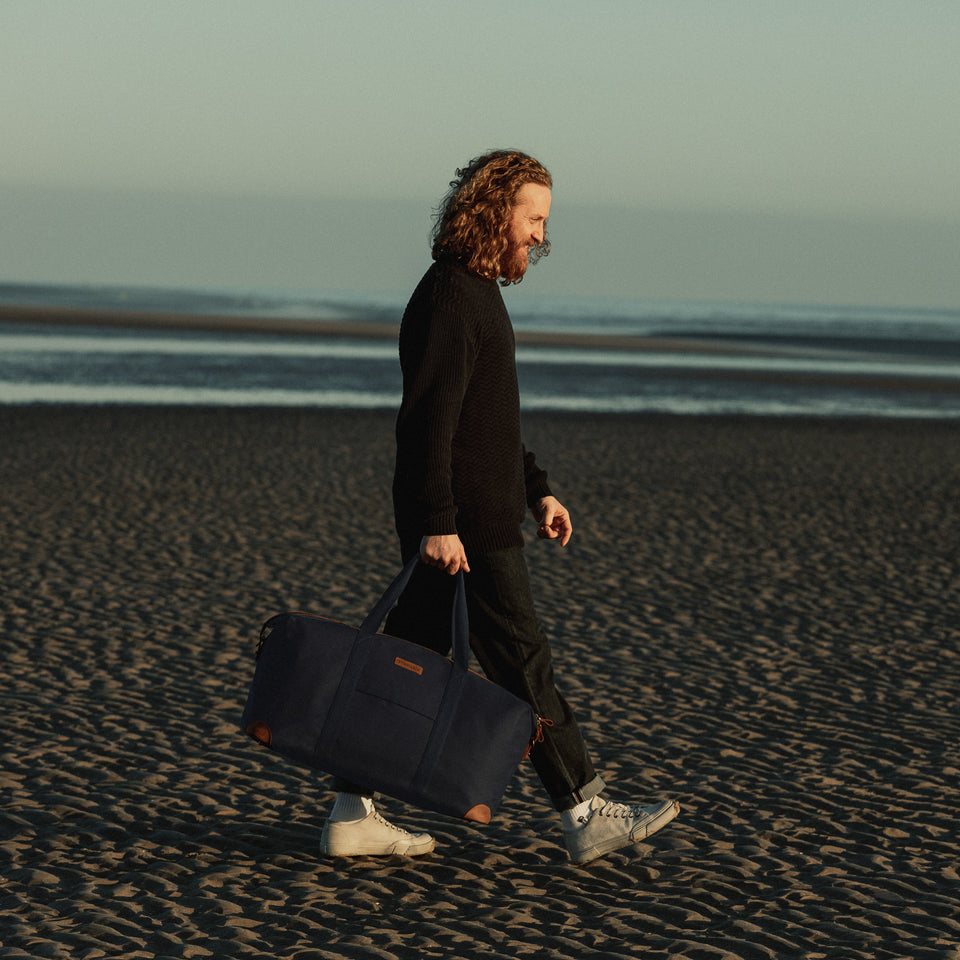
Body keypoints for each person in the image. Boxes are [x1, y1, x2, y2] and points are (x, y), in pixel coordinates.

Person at [319, 149, 679, 865]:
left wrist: (537, 486)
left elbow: (489, 424)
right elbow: (428, 422)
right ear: (494, 211)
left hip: (469, 516)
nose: (540, 237)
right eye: (533, 219)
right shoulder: (452, 297)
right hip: (464, 528)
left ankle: (350, 811)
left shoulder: (478, 292)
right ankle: (583, 809)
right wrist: (439, 523)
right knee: (522, 660)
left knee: (406, 665)